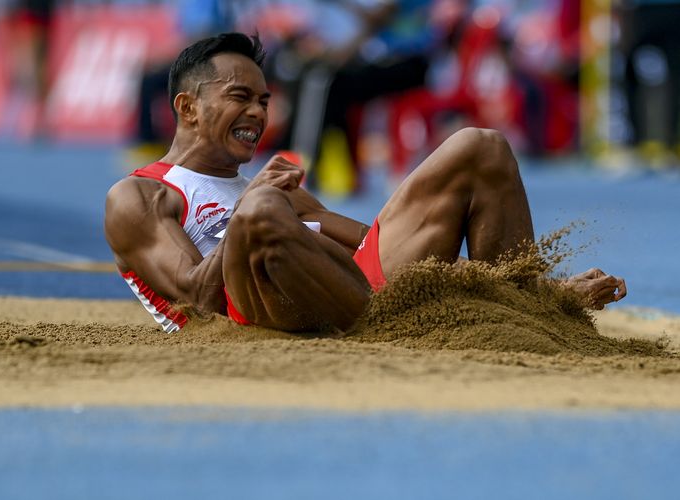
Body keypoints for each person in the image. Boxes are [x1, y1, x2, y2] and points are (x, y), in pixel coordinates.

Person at [104, 32, 627, 334]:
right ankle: (410, 324)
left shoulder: (269, 188)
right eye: (241, 96)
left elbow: (364, 242)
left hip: (346, 292)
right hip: (260, 319)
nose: (259, 112)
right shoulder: (140, 196)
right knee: (264, 208)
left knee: (480, 145)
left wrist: (528, 286)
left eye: (264, 100)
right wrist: (251, 208)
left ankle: (526, 307)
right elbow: (197, 298)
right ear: (188, 107)